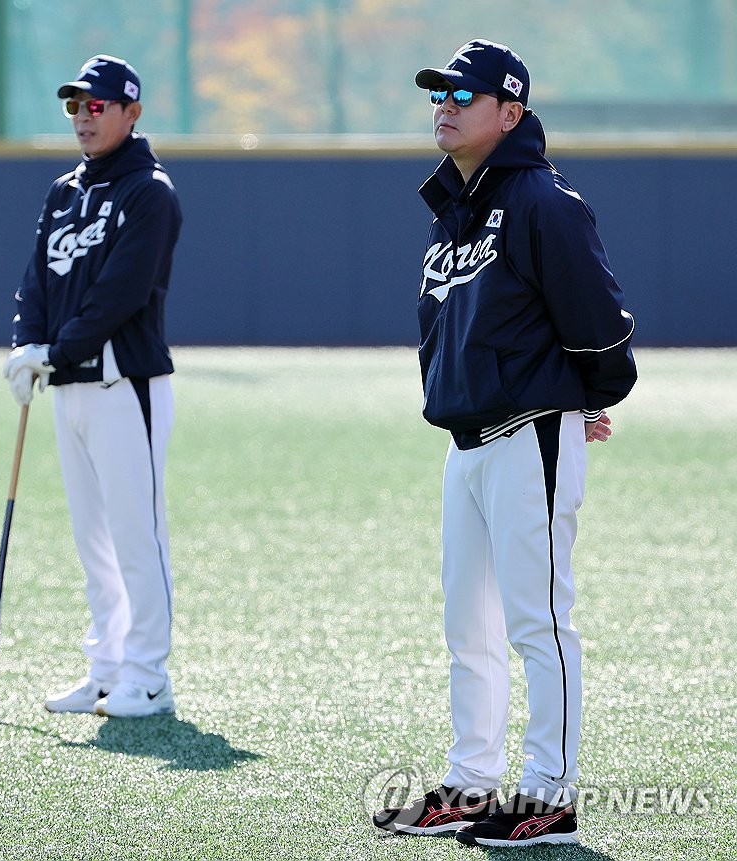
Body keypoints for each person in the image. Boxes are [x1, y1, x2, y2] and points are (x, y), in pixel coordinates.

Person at [371, 39, 638, 846]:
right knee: (468, 626)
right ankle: (472, 782)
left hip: (530, 434)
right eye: (438, 93)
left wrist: (582, 398)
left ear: (510, 112)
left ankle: (550, 794)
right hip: (466, 442)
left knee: (538, 622)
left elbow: (600, 323)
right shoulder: (453, 210)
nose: (444, 106)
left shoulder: (543, 202)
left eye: (463, 94)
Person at [3, 55, 183, 719]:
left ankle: (149, 677)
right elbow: (36, 280)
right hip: (69, 387)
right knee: (93, 543)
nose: (83, 116)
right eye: (75, 105)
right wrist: (27, 344)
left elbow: (121, 293)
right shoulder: (63, 191)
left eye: (97, 105)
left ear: (132, 113)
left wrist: (55, 349)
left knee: (137, 536)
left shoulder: (150, 192)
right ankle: (107, 669)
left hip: (123, 383)